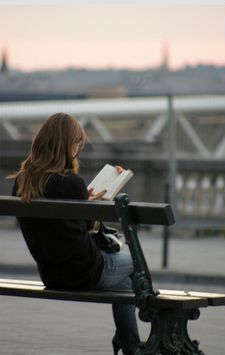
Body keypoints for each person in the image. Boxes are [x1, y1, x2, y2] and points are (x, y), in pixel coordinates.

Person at [10, 112, 140, 355]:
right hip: (87, 272)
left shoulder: (22, 182)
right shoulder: (72, 183)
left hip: (51, 275)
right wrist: (105, 193)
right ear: (67, 145)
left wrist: (85, 199)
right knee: (138, 262)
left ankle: (130, 343)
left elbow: (63, 216)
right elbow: (91, 226)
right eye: (76, 143)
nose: (77, 149)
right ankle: (131, 345)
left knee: (126, 285)